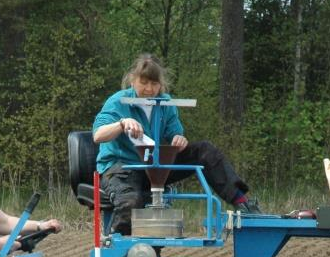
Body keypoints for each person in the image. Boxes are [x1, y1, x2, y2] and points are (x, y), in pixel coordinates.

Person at [92, 53, 261, 236]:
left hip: (154, 165)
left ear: (161, 84)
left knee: (205, 151)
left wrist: (179, 139)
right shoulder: (117, 102)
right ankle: (115, 245)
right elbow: (98, 135)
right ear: (133, 80)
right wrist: (122, 123)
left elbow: (176, 134)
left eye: (154, 84)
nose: (149, 89)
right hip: (122, 167)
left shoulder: (165, 103)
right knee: (130, 202)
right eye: (144, 82)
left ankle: (243, 203)